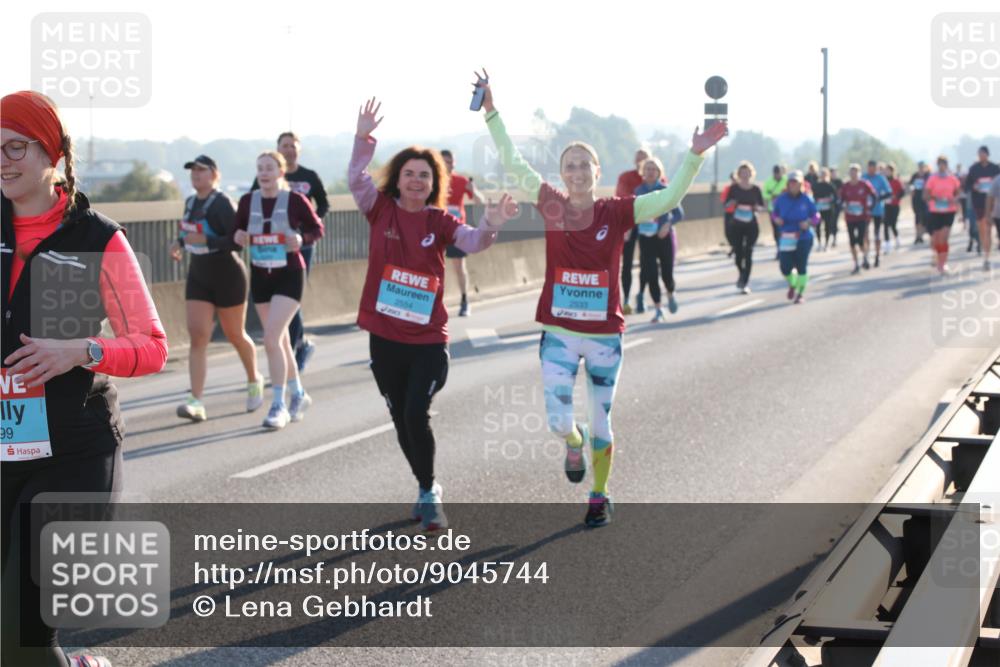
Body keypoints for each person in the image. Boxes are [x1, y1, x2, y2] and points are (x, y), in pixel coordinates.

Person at [476, 74, 726, 527]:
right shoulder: (551, 203)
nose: (575, 172)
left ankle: (598, 493)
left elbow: (670, 197)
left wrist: (695, 154)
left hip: (605, 338)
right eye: (568, 165)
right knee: (558, 422)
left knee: (603, 424)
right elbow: (513, 164)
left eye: (583, 165)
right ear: (561, 174)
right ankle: (572, 445)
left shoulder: (617, 210)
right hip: (559, 334)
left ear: (597, 173)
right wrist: (492, 112)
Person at [2, 90, 168, 667]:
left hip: (75, 449)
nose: (3, 158)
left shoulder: (98, 237)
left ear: (52, 153)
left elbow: (152, 347)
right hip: (4, 447)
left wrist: (82, 350)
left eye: (16, 147)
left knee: (21, 632)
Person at [349, 98, 516, 531]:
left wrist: (492, 222)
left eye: (425, 175)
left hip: (426, 340)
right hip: (384, 335)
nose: (417, 180)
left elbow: (474, 241)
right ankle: (426, 484)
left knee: (414, 413)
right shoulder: (379, 209)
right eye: (409, 174)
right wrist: (363, 138)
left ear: (434, 181)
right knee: (399, 416)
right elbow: (355, 178)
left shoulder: (440, 221)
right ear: (398, 180)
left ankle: (429, 493)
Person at [169, 155, 263, 421]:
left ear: (214, 174)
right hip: (199, 275)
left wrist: (207, 240)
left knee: (235, 334)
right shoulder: (190, 202)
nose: (196, 175)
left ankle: (254, 378)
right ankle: (195, 401)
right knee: (198, 336)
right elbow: (190, 235)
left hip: (228, 276)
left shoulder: (222, 204)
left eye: (201, 170)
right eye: (193, 171)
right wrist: (179, 243)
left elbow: (236, 242)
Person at [234, 151, 323, 429]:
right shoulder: (249, 201)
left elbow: (316, 228)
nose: (264, 172)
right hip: (261, 274)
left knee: (271, 339)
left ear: (281, 172)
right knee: (281, 341)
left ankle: (278, 405)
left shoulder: (295, 200)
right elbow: (236, 232)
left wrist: (301, 238)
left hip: (289, 274)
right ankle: (298, 393)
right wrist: (238, 236)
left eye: (270, 168)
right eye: (260, 168)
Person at [251, 132, 329, 371]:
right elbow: (253, 202)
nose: (289, 150)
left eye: (293, 147)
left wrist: (306, 229)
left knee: (292, 298)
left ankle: (294, 352)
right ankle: (299, 345)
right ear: (278, 150)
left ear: (299, 150)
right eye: (284, 146)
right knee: (280, 300)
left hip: (301, 246)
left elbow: (323, 204)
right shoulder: (267, 173)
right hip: (271, 249)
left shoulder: (309, 176)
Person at [634, 157, 684, 321]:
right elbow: (631, 214)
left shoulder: (666, 190)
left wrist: (667, 225)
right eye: (647, 168)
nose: (649, 172)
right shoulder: (638, 191)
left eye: (653, 169)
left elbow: (679, 214)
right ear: (642, 172)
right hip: (646, 237)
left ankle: (670, 292)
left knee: (667, 274)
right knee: (651, 274)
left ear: (659, 172)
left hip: (663, 237)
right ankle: (658, 309)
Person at [441, 149, 485, 316]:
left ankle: (465, 301)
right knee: (433, 267)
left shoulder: (461, 181)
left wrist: (473, 189)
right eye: (444, 161)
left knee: (459, 267)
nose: (447, 165)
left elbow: (480, 201)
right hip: (437, 230)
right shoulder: (433, 181)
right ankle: (434, 303)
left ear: (454, 162)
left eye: (450, 161)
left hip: (457, 230)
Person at [771, 170, 819, 304]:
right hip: (786, 236)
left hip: (804, 237)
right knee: (784, 267)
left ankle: (800, 294)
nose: (793, 185)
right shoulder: (781, 199)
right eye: (791, 182)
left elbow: (816, 216)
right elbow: (774, 214)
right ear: (788, 184)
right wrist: (777, 220)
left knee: (801, 266)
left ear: (801, 184)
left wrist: (808, 222)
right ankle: (792, 284)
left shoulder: (806, 198)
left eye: (796, 182)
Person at [722, 161, 765, 292]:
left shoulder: (756, 189)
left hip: (752, 224)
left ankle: (745, 281)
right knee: (739, 253)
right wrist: (733, 202)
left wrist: (757, 208)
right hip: (737, 224)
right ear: (738, 174)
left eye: (747, 172)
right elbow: (726, 205)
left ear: (752, 174)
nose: (745, 175)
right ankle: (741, 273)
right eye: (742, 172)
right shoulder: (733, 188)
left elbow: (762, 207)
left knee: (749, 252)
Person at [617, 148, 650, 314]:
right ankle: (626, 299)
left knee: (647, 262)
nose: (641, 163)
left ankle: (642, 295)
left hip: (648, 225)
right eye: (638, 159)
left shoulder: (655, 177)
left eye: (644, 160)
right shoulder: (626, 177)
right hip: (630, 224)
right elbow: (621, 200)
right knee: (627, 264)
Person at [924, 155, 962, 275]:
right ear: (937, 165)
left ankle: (943, 263)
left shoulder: (952, 179)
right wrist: (935, 198)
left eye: (944, 164)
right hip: (935, 211)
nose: (942, 166)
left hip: (949, 211)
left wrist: (953, 199)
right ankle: (938, 257)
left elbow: (958, 194)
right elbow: (926, 195)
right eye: (940, 164)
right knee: (936, 239)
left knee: (944, 237)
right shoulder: (932, 179)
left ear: (946, 165)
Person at [839, 163, 879, 274]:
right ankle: (856, 264)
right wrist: (843, 206)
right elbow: (841, 200)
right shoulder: (846, 186)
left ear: (859, 173)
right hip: (850, 217)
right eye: (852, 172)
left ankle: (865, 257)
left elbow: (874, 196)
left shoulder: (864, 184)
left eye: (856, 172)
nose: (853, 174)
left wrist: (870, 207)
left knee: (861, 240)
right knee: (852, 241)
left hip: (863, 217)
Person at [966, 145, 1000, 270]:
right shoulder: (973, 169)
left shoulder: (995, 168)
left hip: (995, 203)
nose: (981, 156)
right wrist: (974, 187)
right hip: (979, 202)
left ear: (987, 154)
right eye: (979, 154)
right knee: (984, 229)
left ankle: (989, 249)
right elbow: (967, 185)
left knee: (990, 229)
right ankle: (986, 256)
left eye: (983, 154)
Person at [863, 160, 893, 264]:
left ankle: (877, 255)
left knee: (876, 233)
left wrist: (878, 197)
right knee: (865, 233)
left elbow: (889, 192)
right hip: (865, 210)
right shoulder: (863, 177)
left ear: (876, 168)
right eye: (869, 168)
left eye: (873, 168)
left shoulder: (880, 178)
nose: (871, 170)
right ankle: (866, 255)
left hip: (878, 209)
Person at [762, 164, 788, 259]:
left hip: (785, 209)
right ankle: (779, 248)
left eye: (779, 173)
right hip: (773, 210)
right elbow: (764, 193)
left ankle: (784, 249)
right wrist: (771, 196)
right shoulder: (769, 181)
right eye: (776, 174)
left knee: (784, 229)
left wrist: (781, 195)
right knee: (776, 230)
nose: (777, 175)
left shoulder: (786, 180)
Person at [812, 167, 839, 250]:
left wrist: (830, 200)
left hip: (828, 210)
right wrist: (817, 200)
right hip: (818, 209)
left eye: (824, 174)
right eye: (821, 174)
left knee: (828, 227)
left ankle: (826, 244)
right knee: (818, 227)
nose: (823, 176)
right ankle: (819, 243)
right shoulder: (816, 185)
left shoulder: (831, 185)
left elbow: (835, 197)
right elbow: (813, 196)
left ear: (827, 175)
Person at [883, 163, 905, 252]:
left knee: (893, 224)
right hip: (886, 205)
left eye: (889, 170)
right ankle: (887, 244)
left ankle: (897, 238)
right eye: (886, 170)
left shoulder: (896, 181)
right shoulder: (883, 181)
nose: (887, 172)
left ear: (892, 171)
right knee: (885, 224)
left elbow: (902, 192)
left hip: (895, 205)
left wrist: (895, 197)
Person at [909, 161, 930, 244]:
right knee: (917, 217)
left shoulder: (928, 176)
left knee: (925, 217)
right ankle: (918, 236)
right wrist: (912, 190)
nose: (921, 168)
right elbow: (910, 185)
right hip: (916, 199)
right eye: (919, 166)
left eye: (922, 166)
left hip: (925, 200)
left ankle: (922, 233)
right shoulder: (915, 176)